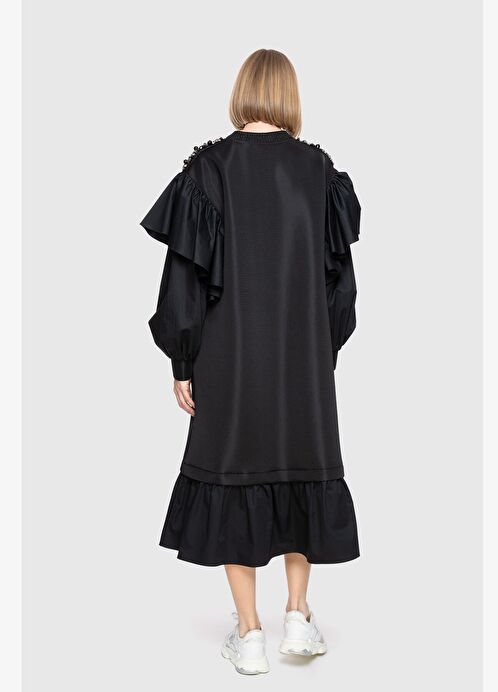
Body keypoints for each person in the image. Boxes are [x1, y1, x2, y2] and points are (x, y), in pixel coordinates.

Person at [141, 48, 361, 675]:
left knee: (233, 476)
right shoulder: (319, 172)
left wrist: (182, 362)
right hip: (303, 366)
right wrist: (319, 353)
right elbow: (341, 289)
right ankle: (298, 614)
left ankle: (251, 632)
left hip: (228, 364)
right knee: (301, 473)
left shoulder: (208, 171)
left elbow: (182, 285)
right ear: (290, 94)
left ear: (241, 92)